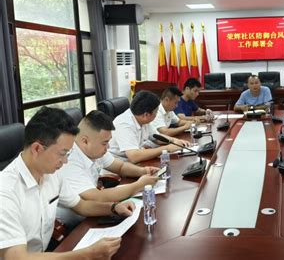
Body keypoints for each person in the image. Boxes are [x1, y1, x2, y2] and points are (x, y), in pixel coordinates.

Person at [0, 107, 135, 259]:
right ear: (37, 149)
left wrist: (114, 208)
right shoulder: (5, 191)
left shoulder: (51, 174)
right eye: (63, 154)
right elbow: (17, 258)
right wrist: (87, 254)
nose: (65, 161)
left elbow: (81, 206)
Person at [57, 110, 161, 229]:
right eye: (105, 143)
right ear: (85, 141)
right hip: (72, 226)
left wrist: (143, 171)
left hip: (95, 214)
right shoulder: (69, 161)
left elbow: (120, 167)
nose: (108, 147)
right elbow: (96, 197)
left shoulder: (96, 149)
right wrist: (139, 185)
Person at [108, 90, 190, 163]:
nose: (157, 113)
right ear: (146, 115)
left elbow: (157, 138)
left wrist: (175, 141)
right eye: (156, 111)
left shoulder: (142, 118)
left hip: (134, 162)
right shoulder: (124, 124)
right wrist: (166, 148)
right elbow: (134, 156)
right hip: (117, 169)